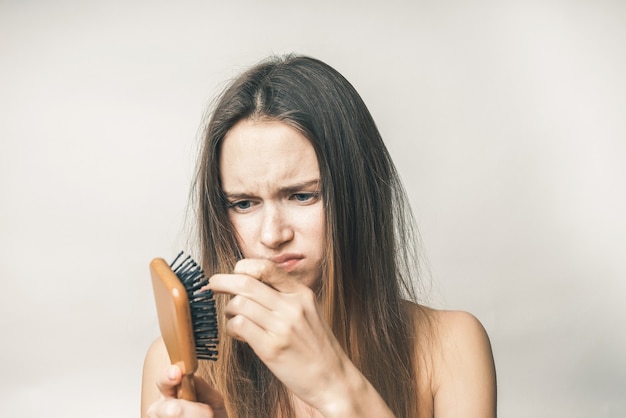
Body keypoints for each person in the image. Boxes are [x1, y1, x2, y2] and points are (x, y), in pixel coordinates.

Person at [141, 54, 497, 418]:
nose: (272, 234)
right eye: (244, 203)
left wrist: (336, 386)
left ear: (358, 196)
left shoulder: (450, 348)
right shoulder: (178, 365)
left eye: (302, 195)